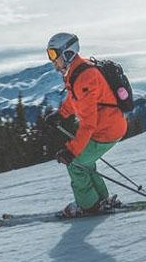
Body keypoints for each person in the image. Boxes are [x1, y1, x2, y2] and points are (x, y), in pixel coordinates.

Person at [45, 32, 127, 217]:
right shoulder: (76, 72)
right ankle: (101, 199)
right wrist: (60, 115)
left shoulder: (84, 77)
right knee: (86, 163)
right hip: (107, 126)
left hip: (106, 130)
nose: (52, 60)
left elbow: (88, 124)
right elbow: (74, 99)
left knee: (76, 164)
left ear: (67, 53)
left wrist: (72, 151)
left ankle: (89, 205)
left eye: (53, 54)